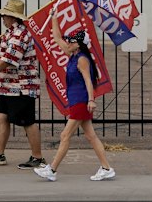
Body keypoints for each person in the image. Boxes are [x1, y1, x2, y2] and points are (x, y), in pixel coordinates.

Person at [34, 11, 115, 182]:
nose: (68, 42)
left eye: (71, 40)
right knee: (91, 136)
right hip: (76, 101)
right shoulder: (73, 55)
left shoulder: (82, 60)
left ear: (78, 44)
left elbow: (88, 81)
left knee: (65, 135)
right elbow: (56, 38)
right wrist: (54, 18)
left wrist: (91, 100)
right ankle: (106, 168)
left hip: (81, 101)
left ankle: (52, 170)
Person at [0, 0, 45, 169]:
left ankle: (38, 157)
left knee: (27, 121)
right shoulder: (10, 33)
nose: (3, 18)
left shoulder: (20, 34)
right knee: (1, 115)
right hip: (9, 86)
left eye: (5, 15)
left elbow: (10, 60)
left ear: (13, 17)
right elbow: (9, 52)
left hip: (21, 86)